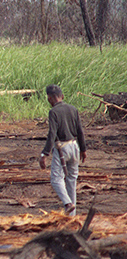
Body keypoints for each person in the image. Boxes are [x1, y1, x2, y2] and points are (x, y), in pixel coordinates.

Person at [39, 85, 87, 216]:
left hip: (62, 148)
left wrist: (44, 154)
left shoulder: (53, 112)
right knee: (71, 180)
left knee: (56, 179)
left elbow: (52, 134)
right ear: (63, 96)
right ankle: (72, 217)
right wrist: (83, 149)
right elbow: (80, 131)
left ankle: (67, 203)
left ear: (49, 99)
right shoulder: (73, 109)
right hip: (75, 147)